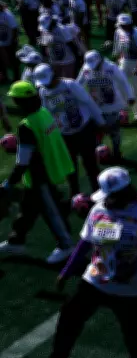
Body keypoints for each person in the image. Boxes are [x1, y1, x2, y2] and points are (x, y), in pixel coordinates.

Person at [23, 167, 137, 358]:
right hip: (95, 279)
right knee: (69, 319)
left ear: (124, 193)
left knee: (132, 329)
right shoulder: (100, 209)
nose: (106, 200)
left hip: (128, 287)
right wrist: (67, 270)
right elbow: (86, 241)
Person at [0, 81, 75, 264]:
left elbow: (23, 161)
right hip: (54, 168)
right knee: (28, 210)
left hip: (41, 176)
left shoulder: (27, 125)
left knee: (52, 211)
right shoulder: (43, 113)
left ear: (20, 102)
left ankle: (66, 246)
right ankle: (16, 241)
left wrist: (9, 183)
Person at [34, 63, 104, 197]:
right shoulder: (43, 91)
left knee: (90, 163)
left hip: (83, 129)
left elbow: (88, 101)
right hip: (64, 134)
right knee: (70, 166)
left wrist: (100, 121)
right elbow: (47, 113)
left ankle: (98, 191)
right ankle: (75, 193)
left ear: (54, 75)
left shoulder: (70, 85)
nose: (46, 85)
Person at [77, 50, 134, 161]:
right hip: (94, 105)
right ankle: (99, 151)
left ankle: (117, 152)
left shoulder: (111, 67)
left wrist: (130, 96)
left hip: (111, 104)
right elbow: (79, 83)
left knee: (114, 130)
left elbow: (123, 81)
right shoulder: (86, 69)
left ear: (100, 60)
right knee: (96, 130)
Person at [112, 14, 137, 120]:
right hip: (124, 61)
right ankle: (123, 111)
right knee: (120, 85)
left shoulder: (136, 33)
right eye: (121, 25)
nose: (122, 27)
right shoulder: (118, 31)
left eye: (124, 25)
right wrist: (118, 60)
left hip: (136, 62)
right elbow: (117, 46)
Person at [0, 0, 20, 83]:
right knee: (1, 60)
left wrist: (13, 40)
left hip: (9, 41)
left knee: (12, 60)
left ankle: (17, 77)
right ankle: (4, 76)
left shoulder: (8, 14)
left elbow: (14, 28)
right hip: (1, 42)